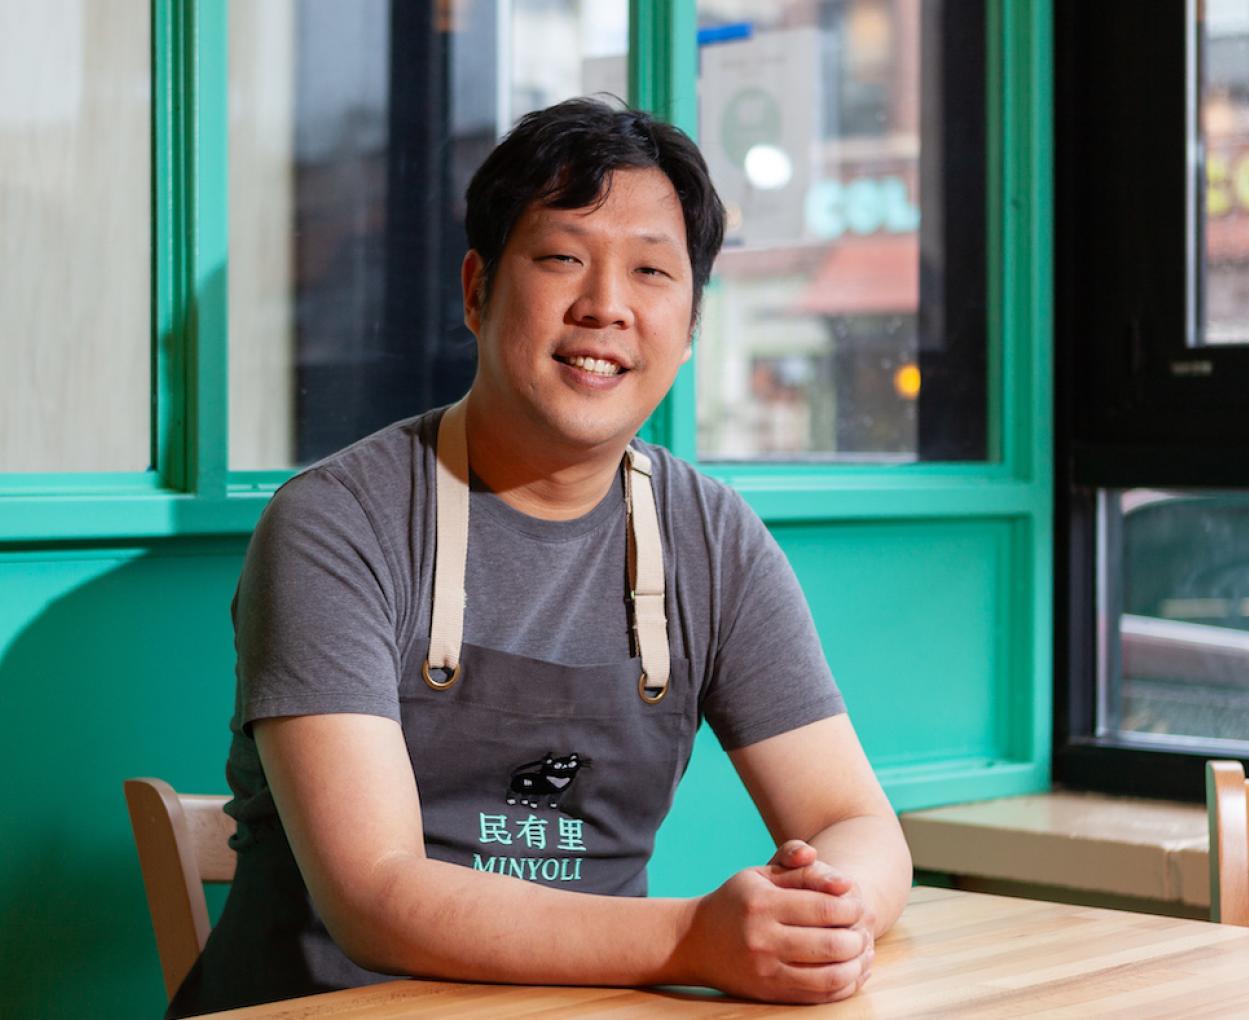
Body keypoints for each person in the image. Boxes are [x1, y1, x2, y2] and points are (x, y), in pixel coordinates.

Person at [166, 97, 911, 1018]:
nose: (606, 306)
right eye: (563, 258)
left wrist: (830, 915)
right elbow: (373, 895)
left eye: (650, 272)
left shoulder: (712, 541)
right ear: (477, 291)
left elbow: (858, 823)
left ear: (689, 329)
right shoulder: (336, 524)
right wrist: (692, 940)